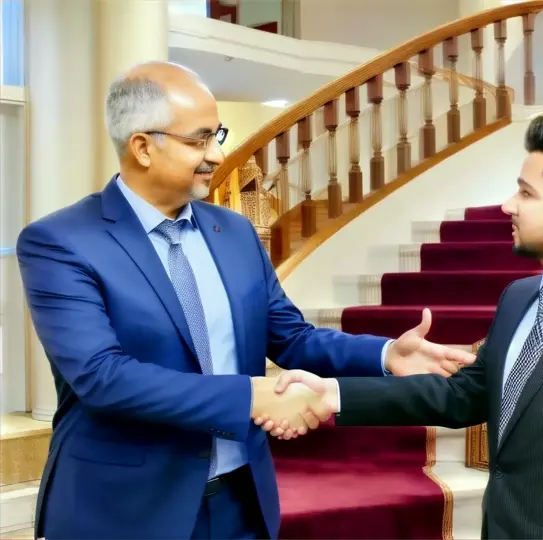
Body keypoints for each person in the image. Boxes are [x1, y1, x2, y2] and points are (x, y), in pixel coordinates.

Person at [16, 61, 476, 540]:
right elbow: (102, 377)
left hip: (242, 500)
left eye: (217, 135)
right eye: (199, 140)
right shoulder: (61, 241)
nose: (217, 154)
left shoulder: (231, 231)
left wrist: (383, 354)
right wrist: (252, 396)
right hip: (124, 508)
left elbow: (291, 337)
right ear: (143, 147)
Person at [261, 116, 543, 539]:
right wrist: (333, 393)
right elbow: (464, 395)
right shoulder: (519, 297)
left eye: (526, 193)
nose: (507, 205)